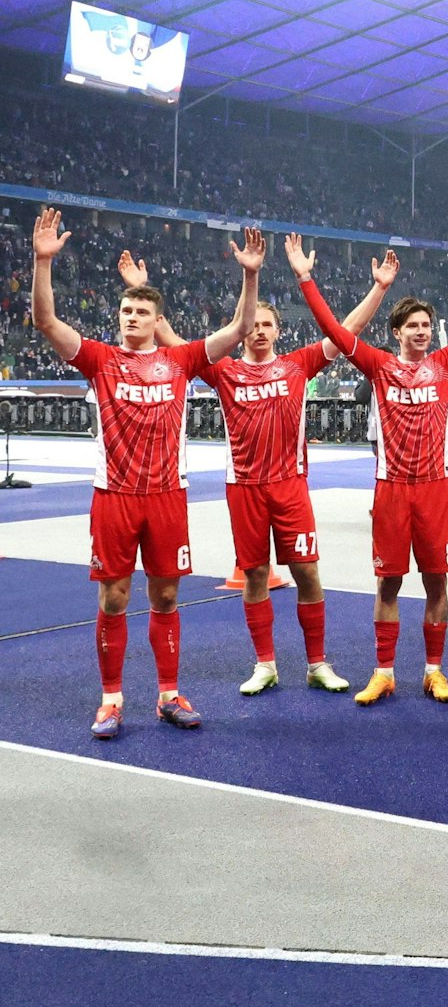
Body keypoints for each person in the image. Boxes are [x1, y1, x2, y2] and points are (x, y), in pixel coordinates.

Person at [123, 235, 395, 697]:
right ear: (244, 328)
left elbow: (346, 330)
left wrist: (380, 288)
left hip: (290, 486)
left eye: (268, 325)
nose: (260, 331)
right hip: (244, 487)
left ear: (278, 331)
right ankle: (265, 663)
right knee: (254, 574)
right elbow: (169, 339)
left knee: (307, 572)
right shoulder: (223, 370)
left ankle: (317, 663)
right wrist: (142, 292)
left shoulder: (298, 365)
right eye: (254, 325)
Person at [30, 208, 260, 738]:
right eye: (126, 310)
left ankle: (168, 695)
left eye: (141, 311)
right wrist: (43, 263)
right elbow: (46, 322)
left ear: (157, 321)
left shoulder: (181, 362)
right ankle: (111, 700)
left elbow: (240, 328)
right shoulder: (99, 359)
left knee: (167, 597)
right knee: (113, 597)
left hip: (166, 497)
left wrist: (249, 275)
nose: (131, 317)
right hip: (114, 496)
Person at [295, 233, 448, 705]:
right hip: (391, 489)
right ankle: (384, 672)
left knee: (437, 581)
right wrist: (306, 278)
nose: (421, 331)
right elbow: (334, 331)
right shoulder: (379, 366)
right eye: (412, 325)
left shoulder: (446, 364)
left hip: (434, 489)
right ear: (397, 332)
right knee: (388, 582)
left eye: (426, 325)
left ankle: (434, 671)